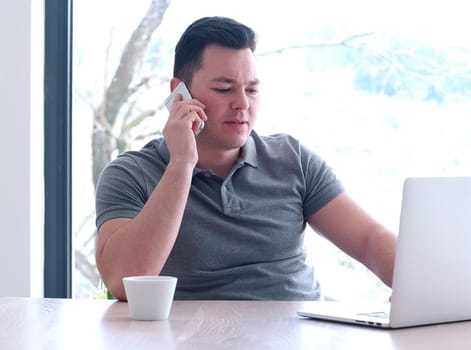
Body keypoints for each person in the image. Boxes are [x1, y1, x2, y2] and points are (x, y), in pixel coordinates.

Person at [95, 16, 396, 301]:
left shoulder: (292, 160)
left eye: (252, 90)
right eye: (224, 89)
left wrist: (421, 288)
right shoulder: (131, 173)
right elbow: (123, 280)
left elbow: (369, 241)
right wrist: (181, 164)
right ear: (179, 94)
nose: (242, 104)